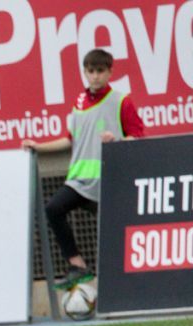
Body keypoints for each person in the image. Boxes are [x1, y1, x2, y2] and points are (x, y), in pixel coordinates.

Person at [22, 48, 146, 288]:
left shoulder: (121, 101)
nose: (95, 76)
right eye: (91, 71)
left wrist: (117, 141)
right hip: (79, 181)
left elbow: (138, 136)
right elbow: (70, 139)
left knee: (115, 237)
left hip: (108, 183)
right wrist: (38, 146)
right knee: (53, 209)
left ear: (110, 72)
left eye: (100, 71)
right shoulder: (79, 103)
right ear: (84, 72)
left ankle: (127, 284)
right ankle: (77, 264)